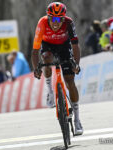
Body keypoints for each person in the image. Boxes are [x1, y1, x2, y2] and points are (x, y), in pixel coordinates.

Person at [31, 2, 83, 135]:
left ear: (63, 19)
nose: (56, 22)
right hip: (47, 45)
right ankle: (49, 91)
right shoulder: (42, 23)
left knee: (70, 81)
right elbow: (35, 50)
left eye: (59, 19)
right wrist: (36, 68)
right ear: (48, 18)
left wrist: (76, 64)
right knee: (46, 59)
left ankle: (77, 120)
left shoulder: (68, 23)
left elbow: (75, 46)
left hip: (64, 46)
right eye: (53, 19)